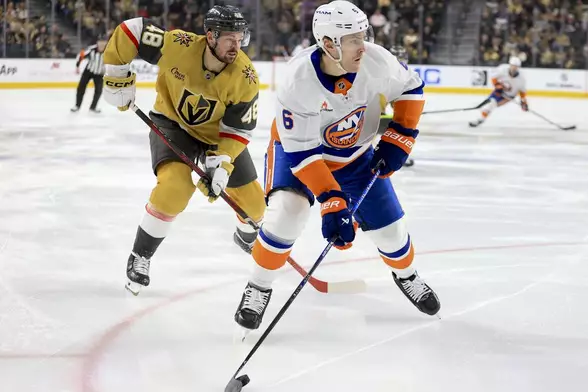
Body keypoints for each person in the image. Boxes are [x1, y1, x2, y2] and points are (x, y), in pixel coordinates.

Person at [233, 0, 441, 332]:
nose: (365, 44)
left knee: (392, 233)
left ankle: (407, 275)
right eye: (354, 39)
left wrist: (401, 135)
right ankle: (258, 286)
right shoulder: (297, 81)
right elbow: (302, 154)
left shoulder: (377, 60)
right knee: (288, 213)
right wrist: (332, 200)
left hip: (355, 154)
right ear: (329, 44)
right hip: (298, 153)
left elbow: (410, 88)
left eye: (364, 34)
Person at [101, 5, 266, 295]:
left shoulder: (246, 77)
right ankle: (141, 256)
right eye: (230, 38)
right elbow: (131, 30)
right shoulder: (179, 45)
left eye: (240, 39)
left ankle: (245, 237)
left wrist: (222, 165)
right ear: (210, 36)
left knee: (255, 206)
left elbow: (238, 130)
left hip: (218, 136)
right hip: (173, 124)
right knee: (175, 189)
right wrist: (118, 75)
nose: (236, 46)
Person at [377, 45, 414, 167]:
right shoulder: (380, 74)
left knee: (402, 128)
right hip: (374, 103)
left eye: (402, 59)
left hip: (385, 100)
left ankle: (398, 156)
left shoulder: (405, 76)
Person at [469, 56, 528, 127]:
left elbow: (522, 92)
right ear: (510, 65)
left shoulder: (521, 79)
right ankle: (481, 119)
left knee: (491, 104)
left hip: (508, 96)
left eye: (516, 66)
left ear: (519, 67)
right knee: (489, 105)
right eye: (513, 66)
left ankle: (481, 119)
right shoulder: (503, 69)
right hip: (499, 91)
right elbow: (493, 77)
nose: (514, 68)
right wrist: (497, 85)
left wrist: (524, 102)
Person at [71, 35, 107, 113]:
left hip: (100, 73)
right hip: (88, 71)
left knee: (98, 91)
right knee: (81, 88)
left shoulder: (109, 51)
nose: (101, 44)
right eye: (100, 42)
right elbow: (81, 55)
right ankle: (77, 106)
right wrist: (77, 66)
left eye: (103, 42)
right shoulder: (91, 49)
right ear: (97, 42)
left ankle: (93, 107)